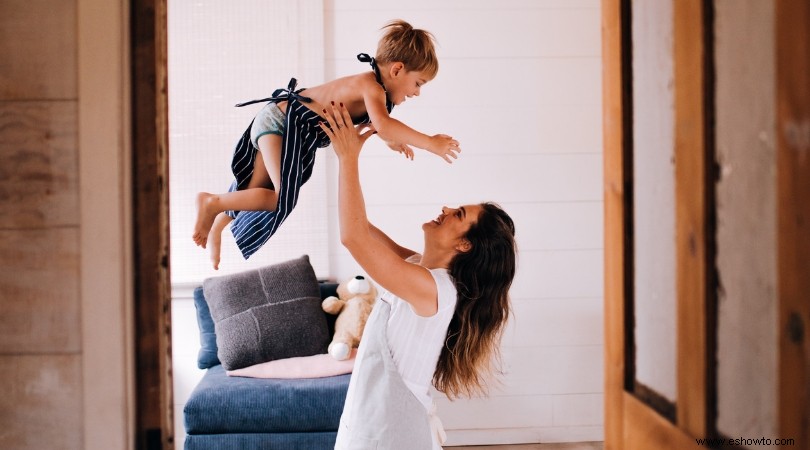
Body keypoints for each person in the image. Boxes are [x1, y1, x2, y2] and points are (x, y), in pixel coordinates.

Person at [321, 104, 517, 449]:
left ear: (464, 244)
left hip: (391, 429)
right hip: (377, 419)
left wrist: (347, 158)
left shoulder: (434, 289)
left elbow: (353, 237)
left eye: (457, 214)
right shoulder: (418, 269)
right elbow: (359, 228)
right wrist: (369, 138)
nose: (445, 209)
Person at [192, 20, 461, 269]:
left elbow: (376, 125)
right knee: (279, 197)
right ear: (397, 69)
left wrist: (391, 142)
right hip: (282, 124)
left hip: (285, 127)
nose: (416, 92)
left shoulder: (378, 94)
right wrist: (429, 143)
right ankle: (212, 202)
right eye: (418, 83)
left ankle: (219, 224)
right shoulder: (371, 86)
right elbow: (383, 124)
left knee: (257, 190)